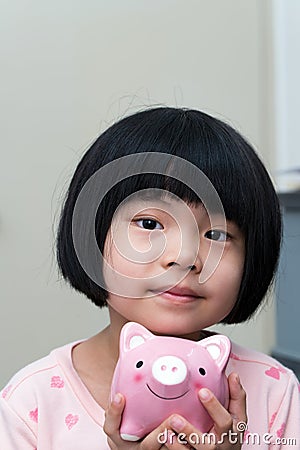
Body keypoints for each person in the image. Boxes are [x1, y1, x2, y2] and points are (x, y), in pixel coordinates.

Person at [0, 107, 299, 449]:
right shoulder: (31, 405)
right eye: (150, 224)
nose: (184, 258)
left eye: (216, 234)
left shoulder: (274, 395)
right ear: (91, 236)